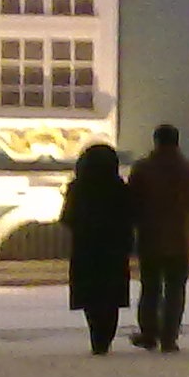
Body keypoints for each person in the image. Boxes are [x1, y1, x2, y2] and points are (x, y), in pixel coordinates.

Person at [127, 124, 189, 353]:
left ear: (156, 141)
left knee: (150, 287)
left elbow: (132, 204)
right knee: (175, 290)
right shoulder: (188, 169)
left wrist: (133, 231)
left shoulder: (142, 168)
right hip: (180, 238)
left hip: (150, 237)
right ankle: (169, 337)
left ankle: (149, 333)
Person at [58, 142, 133, 355]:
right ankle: (105, 338)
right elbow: (131, 215)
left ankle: (97, 337)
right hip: (114, 250)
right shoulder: (119, 188)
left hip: (86, 248)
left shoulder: (77, 189)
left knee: (90, 296)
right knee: (111, 297)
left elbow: (67, 218)